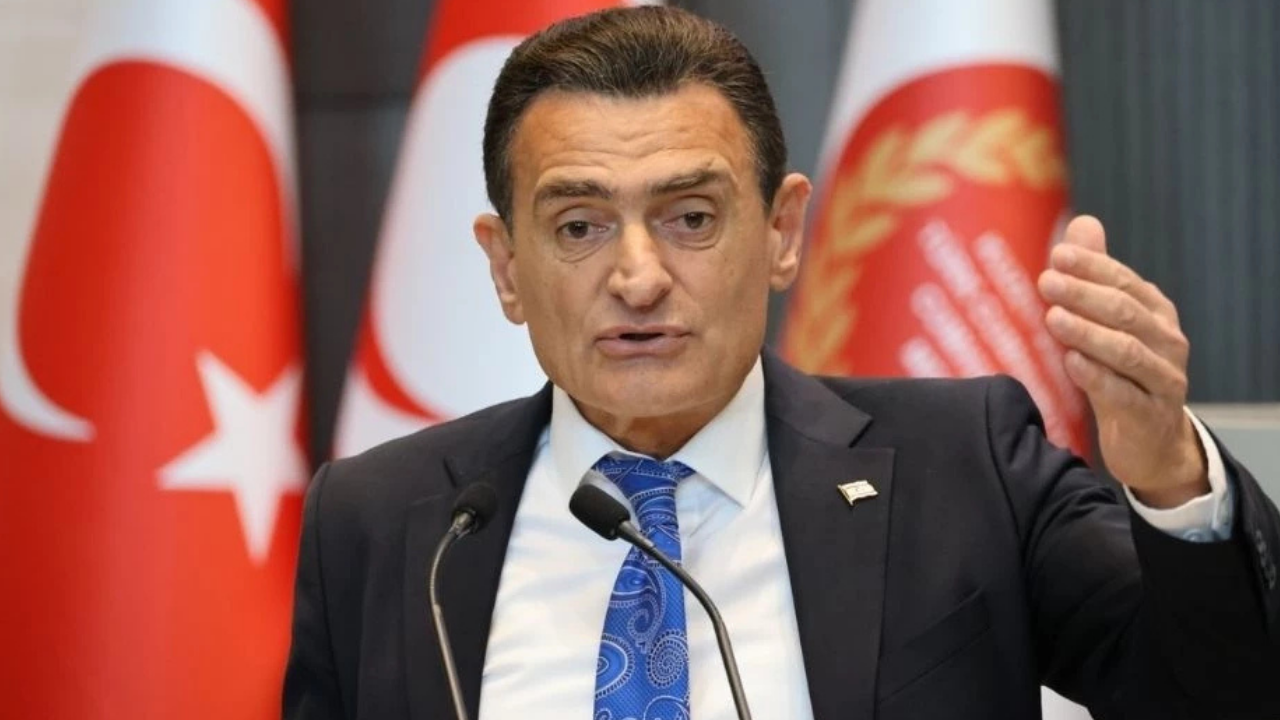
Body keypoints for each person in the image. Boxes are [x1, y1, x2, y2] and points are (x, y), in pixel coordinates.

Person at [283, 6, 1280, 719]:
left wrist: (1167, 476)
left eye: (690, 217)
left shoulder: (964, 466)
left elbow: (1216, 695)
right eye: (579, 225)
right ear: (506, 268)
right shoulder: (384, 522)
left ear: (781, 232)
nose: (638, 278)